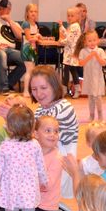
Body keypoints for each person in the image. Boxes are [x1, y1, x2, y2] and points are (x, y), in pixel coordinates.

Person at [0, 105, 48, 211]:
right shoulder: (35, 145)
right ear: (32, 127)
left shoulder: (5, 146)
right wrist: (43, 181)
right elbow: (41, 165)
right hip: (29, 189)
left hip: (11, 189)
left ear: (9, 128)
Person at [28, 65, 79, 200]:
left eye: (43, 88)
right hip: (47, 162)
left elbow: (42, 141)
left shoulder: (64, 108)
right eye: (34, 89)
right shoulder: (40, 109)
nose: (38, 93)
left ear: (54, 86)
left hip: (60, 168)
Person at [78, 30, 106, 122]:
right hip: (88, 78)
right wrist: (90, 56)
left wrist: (96, 56)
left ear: (97, 40)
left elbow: (104, 63)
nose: (92, 43)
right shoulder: (83, 51)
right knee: (90, 97)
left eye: (94, 40)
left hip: (98, 79)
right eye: (89, 41)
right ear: (85, 42)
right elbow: (81, 63)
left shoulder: (100, 51)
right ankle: (91, 115)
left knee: (98, 97)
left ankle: (100, 115)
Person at [60, 7, 84, 96]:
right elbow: (68, 35)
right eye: (68, 16)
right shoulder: (73, 26)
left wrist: (61, 42)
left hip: (71, 53)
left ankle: (64, 90)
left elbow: (69, 40)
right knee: (73, 71)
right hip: (70, 53)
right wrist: (62, 27)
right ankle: (77, 89)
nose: (69, 17)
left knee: (66, 71)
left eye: (72, 16)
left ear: (77, 17)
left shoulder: (75, 26)